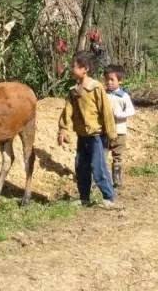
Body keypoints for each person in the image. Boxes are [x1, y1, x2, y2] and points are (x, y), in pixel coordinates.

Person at [58, 52, 117, 207]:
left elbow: (106, 111)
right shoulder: (74, 91)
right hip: (82, 136)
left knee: (98, 167)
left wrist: (111, 133)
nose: (71, 69)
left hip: (96, 136)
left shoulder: (95, 87)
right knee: (81, 167)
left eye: (74, 67)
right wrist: (63, 130)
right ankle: (84, 197)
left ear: (85, 69)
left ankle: (109, 197)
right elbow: (67, 112)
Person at [104, 65, 135, 188]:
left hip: (119, 131)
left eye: (112, 80)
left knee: (117, 156)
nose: (109, 82)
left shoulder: (123, 96)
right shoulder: (104, 95)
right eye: (107, 79)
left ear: (120, 81)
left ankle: (117, 179)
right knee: (102, 155)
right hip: (105, 131)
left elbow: (131, 111)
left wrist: (121, 114)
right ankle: (102, 179)